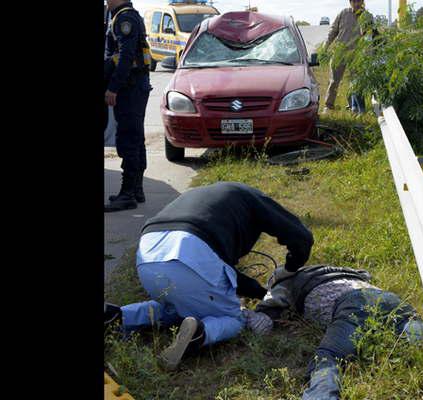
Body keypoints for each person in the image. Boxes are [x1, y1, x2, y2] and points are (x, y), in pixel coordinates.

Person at [104, 182, 314, 370]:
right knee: (234, 318)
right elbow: (301, 237)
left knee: (175, 308)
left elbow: (219, 272)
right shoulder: (253, 199)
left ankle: (117, 317)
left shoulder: (213, 200)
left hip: (147, 254)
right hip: (190, 251)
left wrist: (261, 293)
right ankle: (200, 334)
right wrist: (290, 268)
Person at [247, 264, 423, 400]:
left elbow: (262, 324)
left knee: (328, 358)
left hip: (352, 304)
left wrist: (245, 315)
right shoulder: (341, 272)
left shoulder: (285, 283)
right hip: (388, 298)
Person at [104, 0, 153, 212]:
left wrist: (113, 87)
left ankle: (127, 194)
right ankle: (136, 190)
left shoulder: (124, 17)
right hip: (135, 86)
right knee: (136, 138)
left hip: (129, 87)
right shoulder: (127, 15)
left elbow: (126, 55)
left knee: (128, 140)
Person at [323, 0, 374, 113]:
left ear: (362, 2)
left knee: (355, 82)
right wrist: (325, 47)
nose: (357, 4)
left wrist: (368, 55)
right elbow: (333, 31)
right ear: (350, 2)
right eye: (354, 1)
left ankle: (353, 107)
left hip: (357, 55)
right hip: (339, 53)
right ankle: (328, 105)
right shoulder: (343, 13)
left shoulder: (368, 16)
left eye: (359, 1)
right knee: (334, 81)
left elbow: (369, 36)